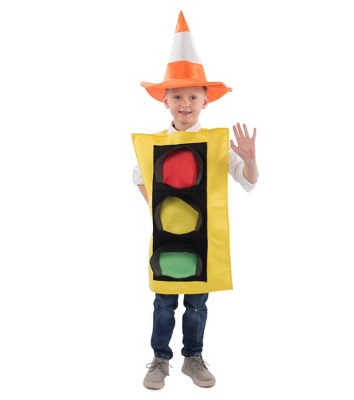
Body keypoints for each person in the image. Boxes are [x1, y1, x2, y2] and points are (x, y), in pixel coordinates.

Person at [131, 12, 258, 390]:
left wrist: (249, 159)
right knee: (164, 304)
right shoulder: (154, 144)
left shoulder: (217, 144)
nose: (184, 103)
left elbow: (248, 182)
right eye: (177, 96)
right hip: (168, 240)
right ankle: (160, 359)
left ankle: (193, 357)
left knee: (198, 304)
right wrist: (159, 211)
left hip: (204, 242)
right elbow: (139, 177)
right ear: (165, 100)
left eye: (192, 96)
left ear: (205, 100)